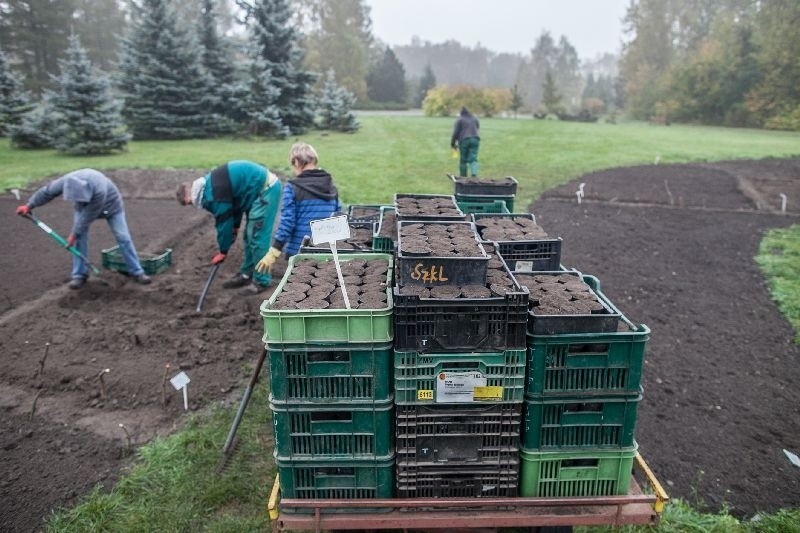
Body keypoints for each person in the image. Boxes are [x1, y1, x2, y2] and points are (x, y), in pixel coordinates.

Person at [15, 169, 152, 289]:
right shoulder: (66, 181)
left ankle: (137, 272)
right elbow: (46, 192)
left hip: (112, 207)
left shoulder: (99, 189)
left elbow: (87, 217)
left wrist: (73, 234)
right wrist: (29, 205)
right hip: (84, 209)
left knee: (123, 237)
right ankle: (79, 275)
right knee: (79, 240)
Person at [177, 160, 282, 294]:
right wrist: (236, 227)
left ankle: (261, 281)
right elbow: (235, 204)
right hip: (253, 192)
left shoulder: (212, 195)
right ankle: (246, 274)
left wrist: (223, 251)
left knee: (257, 236)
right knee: (248, 236)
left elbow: (224, 222)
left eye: (189, 203)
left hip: (266, 190)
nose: (191, 205)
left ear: (190, 195)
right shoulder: (207, 186)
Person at [255, 142, 340, 275]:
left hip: (300, 251)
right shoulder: (330, 185)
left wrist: (274, 251)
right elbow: (337, 216)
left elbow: (287, 222)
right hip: (327, 251)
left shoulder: (292, 187)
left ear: (296, 162)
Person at [450, 106, 480, 177]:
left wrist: (453, 144)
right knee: (473, 159)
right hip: (475, 139)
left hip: (464, 140)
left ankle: (463, 177)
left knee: (463, 160)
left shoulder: (459, 120)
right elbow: (477, 128)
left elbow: (455, 133)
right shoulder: (474, 118)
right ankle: (474, 174)